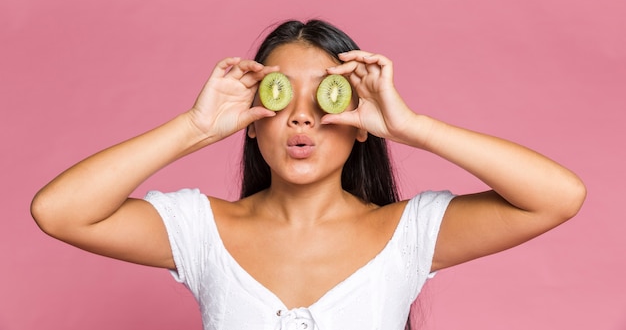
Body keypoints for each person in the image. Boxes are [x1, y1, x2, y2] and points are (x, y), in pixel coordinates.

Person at [31, 19, 586, 330]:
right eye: (279, 96)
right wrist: (195, 128)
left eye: (326, 95)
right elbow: (58, 212)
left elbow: (558, 197)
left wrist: (411, 126)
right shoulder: (199, 230)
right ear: (251, 121)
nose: (302, 115)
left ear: (360, 119)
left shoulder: (408, 236)